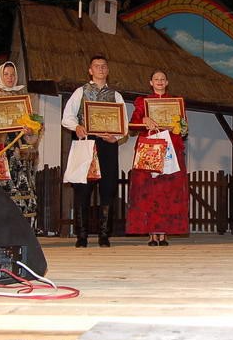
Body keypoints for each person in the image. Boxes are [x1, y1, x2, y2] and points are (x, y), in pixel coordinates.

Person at [62, 55, 127, 248]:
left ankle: (104, 235)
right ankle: (81, 236)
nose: (101, 68)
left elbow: (123, 123)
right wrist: (76, 127)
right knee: (82, 188)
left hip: (107, 144)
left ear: (108, 70)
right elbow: (67, 117)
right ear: (90, 70)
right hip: (86, 142)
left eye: (104, 66)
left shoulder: (116, 95)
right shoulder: (80, 91)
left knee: (108, 188)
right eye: (97, 66)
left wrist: (116, 137)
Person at [126, 70, 189, 246]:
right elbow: (132, 125)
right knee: (149, 192)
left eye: (162, 79)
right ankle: (152, 233)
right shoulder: (142, 102)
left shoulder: (176, 102)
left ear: (167, 82)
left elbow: (184, 129)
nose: (159, 81)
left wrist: (179, 127)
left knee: (168, 192)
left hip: (171, 150)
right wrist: (144, 119)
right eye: (156, 79)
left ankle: (164, 232)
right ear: (151, 82)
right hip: (149, 150)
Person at [0, 61, 41, 230]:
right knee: (1, 189)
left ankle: (23, 230)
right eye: (6, 74)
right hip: (0, 151)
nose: (10, 78)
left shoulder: (23, 97)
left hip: (20, 151)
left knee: (23, 187)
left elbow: (34, 123)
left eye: (12, 74)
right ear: (0, 75)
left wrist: (30, 130)